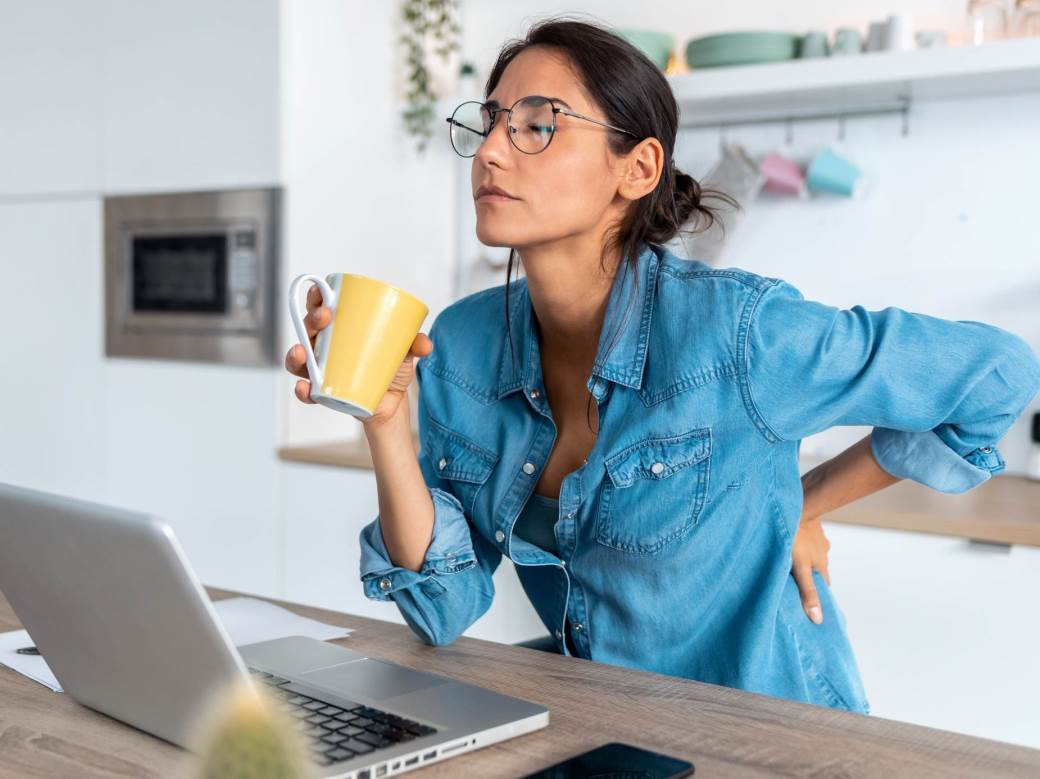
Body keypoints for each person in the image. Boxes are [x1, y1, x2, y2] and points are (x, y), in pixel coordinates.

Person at [284, 18, 1040, 713]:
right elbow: (441, 604)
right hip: (607, 726)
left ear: (638, 167)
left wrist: (799, 508)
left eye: (539, 124)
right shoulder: (462, 346)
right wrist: (385, 420)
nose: (490, 150)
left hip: (774, 734)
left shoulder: (740, 332)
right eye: (489, 122)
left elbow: (997, 373)